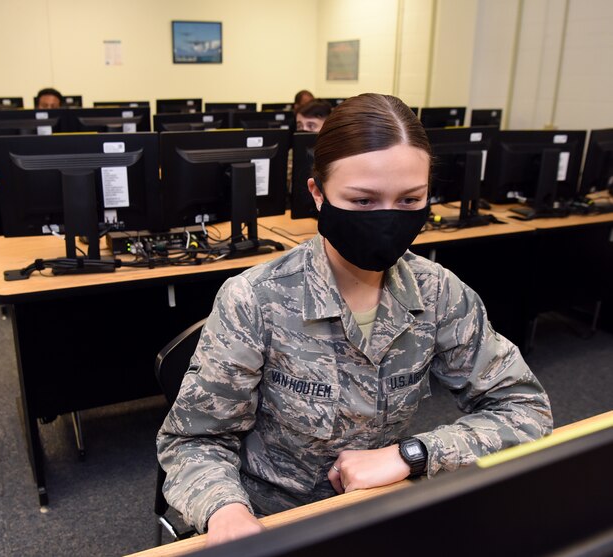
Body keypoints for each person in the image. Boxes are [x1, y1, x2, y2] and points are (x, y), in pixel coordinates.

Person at [156, 93, 553, 547]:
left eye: (410, 199)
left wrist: (414, 454)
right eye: (363, 201)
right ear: (318, 194)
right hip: (274, 522)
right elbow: (193, 441)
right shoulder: (255, 300)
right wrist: (226, 512)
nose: (387, 218)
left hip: (382, 508)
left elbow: (524, 410)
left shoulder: (439, 292)